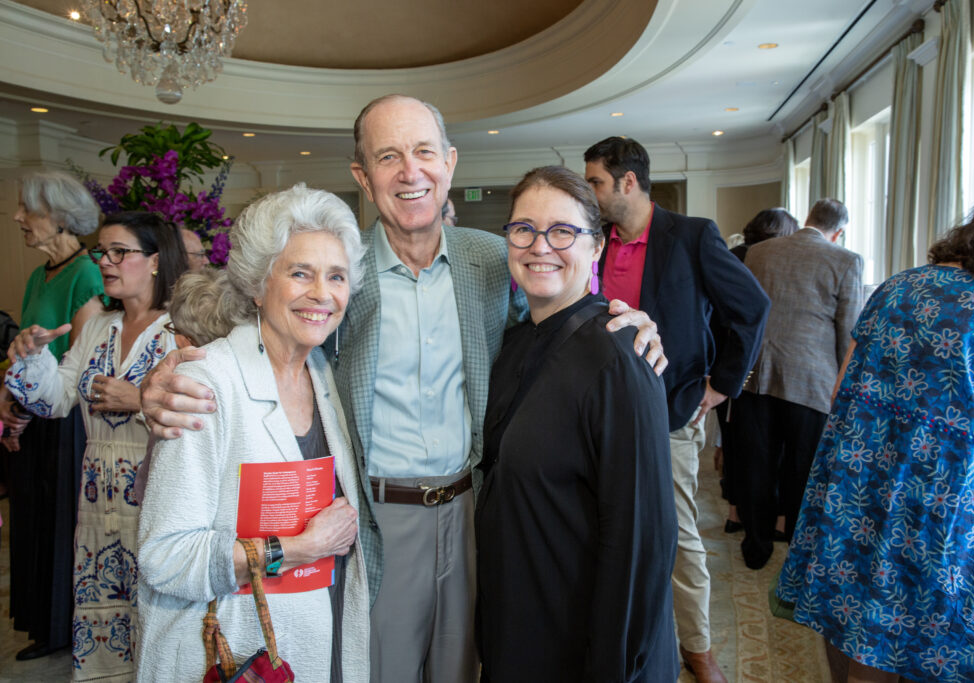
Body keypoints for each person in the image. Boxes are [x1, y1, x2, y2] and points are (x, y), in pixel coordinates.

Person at [140, 94, 664, 683]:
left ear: (450, 163)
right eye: (388, 157)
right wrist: (160, 384)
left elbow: (550, 323)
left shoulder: (495, 259)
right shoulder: (341, 267)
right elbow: (256, 325)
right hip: (376, 518)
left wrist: (622, 320)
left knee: (465, 667)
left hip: (472, 512)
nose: (410, 172)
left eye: (423, 152)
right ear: (363, 177)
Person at [778, 185, 974, 682]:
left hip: (862, 490)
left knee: (864, 630)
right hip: (955, 511)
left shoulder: (897, 287)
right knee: (950, 649)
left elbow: (841, 389)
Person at [136, 185, 371, 683]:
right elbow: (165, 558)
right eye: (300, 273)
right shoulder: (205, 383)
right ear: (258, 286)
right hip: (233, 652)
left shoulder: (321, 373)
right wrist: (298, 548)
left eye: (337, 276)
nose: (322, 293)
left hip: (313, 637)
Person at [476, 166, 678, 681]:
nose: (540, 246)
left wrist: (612, 666)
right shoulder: (514, 342)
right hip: (523, 624)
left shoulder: (620, 357)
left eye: (562, 231)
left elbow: (642, 541)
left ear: (597, 247)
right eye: (524, 229)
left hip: (585, 649)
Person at [584, 136, 769, 682]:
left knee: (678, 534)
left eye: (596, 182)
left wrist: (722, 386)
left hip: (670, 408)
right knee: (606, 528)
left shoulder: (691, 236)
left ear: (628, 181)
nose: (590, 193)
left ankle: (698, 647)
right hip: (600, 409)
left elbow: (752, 307)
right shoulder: (595, 241)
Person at [5, 211, 188, 681]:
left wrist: (141, 400)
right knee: (104, 626)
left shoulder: (182, 330)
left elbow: (206, 416)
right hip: (96, 504)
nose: (104, 261)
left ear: (155, 260)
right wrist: (32, 358)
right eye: (101, 252)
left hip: (157, 499)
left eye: (119, 252)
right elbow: (55, 399)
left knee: (157, 626)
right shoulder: (98, 328)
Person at [0, 170, 104, 661]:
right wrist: (10, 399)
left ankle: (61, 628)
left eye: (29, 209)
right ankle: (41, 623)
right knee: (30, 522)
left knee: (58, 524)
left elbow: (77, 363)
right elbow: (24, 351)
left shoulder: (86, 275)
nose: (18, 217)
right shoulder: (38, 275)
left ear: (61, 217)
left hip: (64, 425)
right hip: (33, 417)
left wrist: (27, 405)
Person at [735, 198, 863, 569]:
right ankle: (799, 550)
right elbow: (848, 331)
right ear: (838, 232)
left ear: (808, 218)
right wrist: (843, 387)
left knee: (757, 466)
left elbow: (745, 312)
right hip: (812, 382)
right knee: (803, 470)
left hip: (757, 376)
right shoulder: (846, 261)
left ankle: (756, 547)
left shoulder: (759, 252)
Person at [714, 208, 799, 537]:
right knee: (771, 448)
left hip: (725, 364)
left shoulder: (730, 256)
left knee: (733, 443)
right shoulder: (776, 260)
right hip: (760, 368)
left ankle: (735, 513)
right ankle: (776, 519)